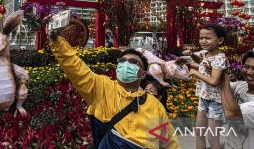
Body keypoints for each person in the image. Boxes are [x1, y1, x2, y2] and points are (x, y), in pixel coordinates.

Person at [48, 30, 179, 148]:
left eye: (134, 63)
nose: (126, 64)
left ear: (143, 73)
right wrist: (57, 43)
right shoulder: (102, 88)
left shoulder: (154, 105)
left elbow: (168, 140)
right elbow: (76, 68)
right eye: (122, 61)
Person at [186, 24, 229, 149]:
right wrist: (192, 57)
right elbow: (203, 65)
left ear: (220, 40)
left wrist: (195, 73)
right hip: (204, 98)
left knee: (212, 136)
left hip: (216, 101)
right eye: (201, 38)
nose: (203, 41)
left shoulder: (219, 58)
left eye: (207, 38)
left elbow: (214, 81)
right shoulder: (206, 54)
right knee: (199, 132)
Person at [221, 51, 254, 149]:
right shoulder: (242, 86)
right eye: (246, 67)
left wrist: (224, 81)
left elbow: (231, 113)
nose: (249, 72)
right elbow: (218, 82)